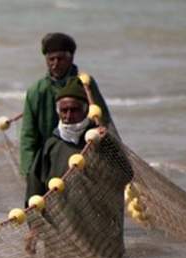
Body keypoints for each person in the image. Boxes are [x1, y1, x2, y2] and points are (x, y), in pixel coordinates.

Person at [19, 32, 115, 182]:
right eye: (51, 59)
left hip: (85, 156)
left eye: (60, 59)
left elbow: (104, 120)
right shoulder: (36, 91)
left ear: (71, 58)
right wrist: (29, 173)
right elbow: (28, 136)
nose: (55, 64)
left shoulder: (85, 85)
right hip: (50, 160)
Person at [25, 77, 105, 200]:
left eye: (74, 110)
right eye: (64, 110)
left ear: (85, 111)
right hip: (60, 214)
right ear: (58, 112)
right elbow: (35, 185)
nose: (68, 116)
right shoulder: (51, 145)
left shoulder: (99, 139)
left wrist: (107, 141)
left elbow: (125, 174)